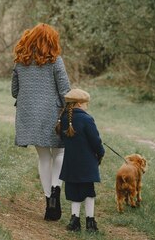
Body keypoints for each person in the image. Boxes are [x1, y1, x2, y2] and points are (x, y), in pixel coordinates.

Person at [11, 23, 71, 221]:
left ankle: (48, 202)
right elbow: (65, 90)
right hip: (53, 113)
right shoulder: (55, 61)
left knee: (44, 157)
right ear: (51, 40)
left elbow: (14, 91)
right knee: (60, 151)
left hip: (29, 115)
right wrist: (68, 108)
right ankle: (56, 190)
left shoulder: (20, 62)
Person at [56, 88, 105, 233]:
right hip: (86, 163)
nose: (86, 107)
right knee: (89, 193)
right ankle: (90, 223)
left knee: (74, 193)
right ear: (78, 104)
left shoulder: (63, 119)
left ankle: (74, 221)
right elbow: (95, 141)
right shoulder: (87, 119)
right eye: (85, 104)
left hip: (71, 162)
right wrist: (101, 152)